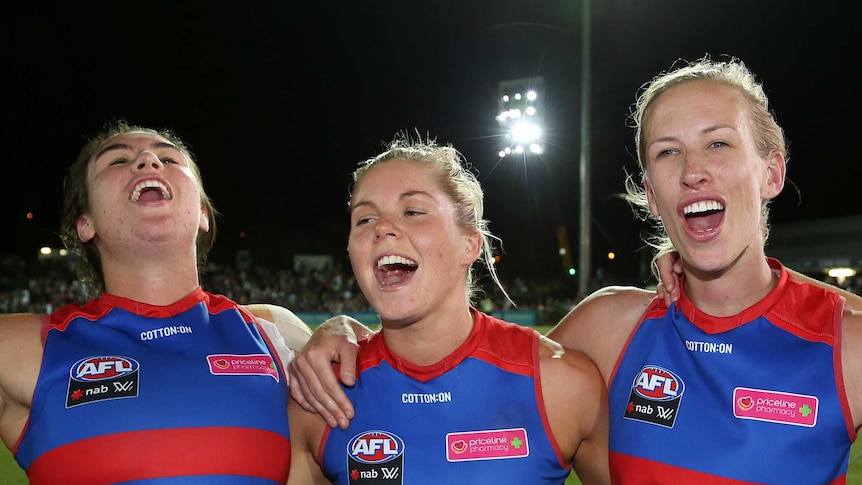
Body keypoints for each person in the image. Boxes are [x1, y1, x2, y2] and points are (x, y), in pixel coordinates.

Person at [288, 56, 862, 484]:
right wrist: (340, 327)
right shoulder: (609, 329)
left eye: (718, 144)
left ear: (772, 173)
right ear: (650, 193)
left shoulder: (849, 343)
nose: (692, 172)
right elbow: (469, 369)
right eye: (666, 152)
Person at [0, 121, 312, 484]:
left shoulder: (277, 334)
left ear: (203, 215)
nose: (148, 160)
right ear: (85, 224)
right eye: (117, 161)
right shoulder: (22, 349)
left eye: (168, 158)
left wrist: (348, 331)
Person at [286, 137, 610, 484]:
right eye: (364, 219)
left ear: (470, 243)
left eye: (412, 211)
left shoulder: (561, 385)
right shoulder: (319, 401)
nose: (381, 228)